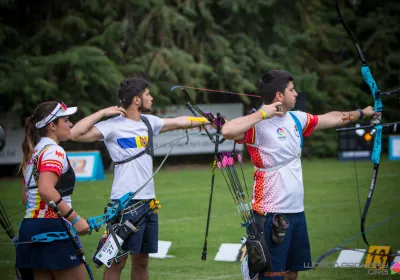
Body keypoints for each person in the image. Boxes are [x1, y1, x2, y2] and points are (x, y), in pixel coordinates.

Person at [220, 70, 380, 280]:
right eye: (291, 90)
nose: (295, 94)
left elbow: (330, 119)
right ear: (279, 95)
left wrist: (362, 112)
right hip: (271, 213)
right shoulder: (258, 125)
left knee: (291, 273)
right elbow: (227, 131)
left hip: (296, 212)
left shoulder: (296, 118)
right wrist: (263, 113)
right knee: (271, 275)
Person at [70, 77, 211, 280]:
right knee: (117, 262)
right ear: (136, 100)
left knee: (142, 261)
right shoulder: (112, 126)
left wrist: (207, 120)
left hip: (149, 203)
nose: (151, 98)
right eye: (147, 94)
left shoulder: (149, 122)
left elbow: (180, 122)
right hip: (124, 204)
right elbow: (74, 133)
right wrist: (102, 113)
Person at [16, 101, 125, 280]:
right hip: (53, 229)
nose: (71, 124)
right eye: (66, 120)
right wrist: (75, 219)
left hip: (31, 228)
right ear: (52, 126)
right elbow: (45, 189)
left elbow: (24, 198)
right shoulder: (54, 151)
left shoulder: (33, 152)